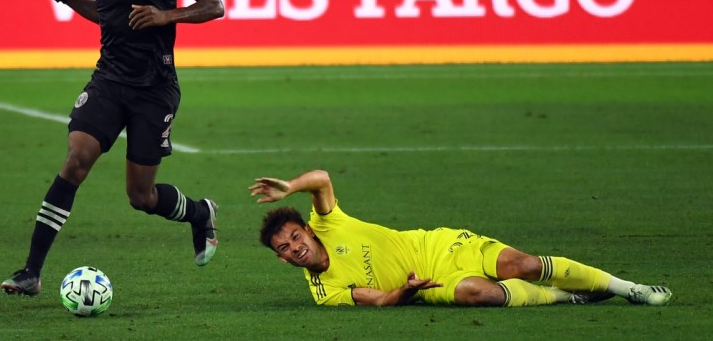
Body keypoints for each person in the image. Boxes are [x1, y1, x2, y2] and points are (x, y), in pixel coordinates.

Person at [2, 0, 224, 296]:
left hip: (155, 91)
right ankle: (31, 273)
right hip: (108, 82)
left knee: (141, 196)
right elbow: (106, 14)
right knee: (75, 161)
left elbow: (215, 5)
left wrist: (166, 15)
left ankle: (198, 212)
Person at [250, 169, 673, 307]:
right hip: (426, 282)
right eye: (285, 249)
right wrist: (406, 290)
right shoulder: (324, 291)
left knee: (521, 265)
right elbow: (377, 300)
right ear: (283, 260)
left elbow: (321, 179)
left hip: (436, 246)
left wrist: (289, 187)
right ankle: (566, 296)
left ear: (305, 228)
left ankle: (629, 288)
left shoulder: (326, 223)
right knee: (479, 294)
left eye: (293, 236)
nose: (295, 247)